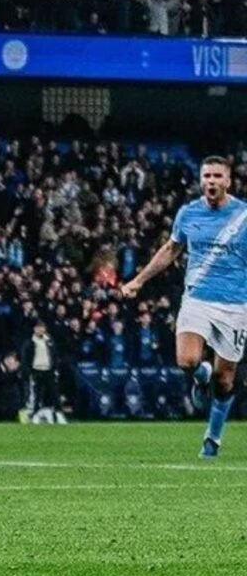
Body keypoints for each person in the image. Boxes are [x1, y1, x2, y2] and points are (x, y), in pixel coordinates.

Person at [121, 156, 246, 458]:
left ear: (228, 181)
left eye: (217, 176)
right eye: (207, 176)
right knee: (187, 360)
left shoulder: (243, 216)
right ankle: (200, 374)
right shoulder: (188, 213)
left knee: (225, 379)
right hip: (197, 298)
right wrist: (139, 280)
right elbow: (171, 249)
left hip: (235, 305)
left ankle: (212, 438)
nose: (211, 181)